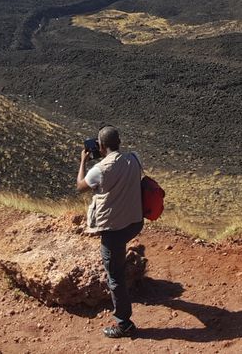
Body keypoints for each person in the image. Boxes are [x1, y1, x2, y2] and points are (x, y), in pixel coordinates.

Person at [76, 125, 145, 339]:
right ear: (119, 142)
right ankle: (124, 266)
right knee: (118, 258)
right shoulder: (134, 158)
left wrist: (83, 161)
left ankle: (124, 324)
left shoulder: (99, 169)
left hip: (113, 228)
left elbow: (80, 186)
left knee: (115, 275)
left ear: (101, 145)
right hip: (134, 222)